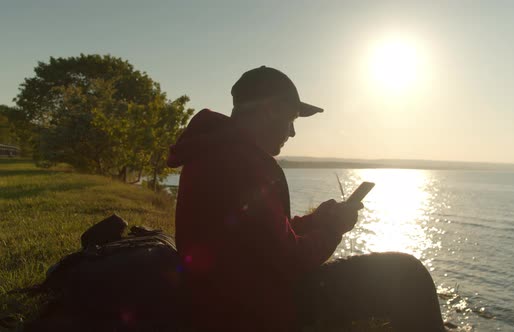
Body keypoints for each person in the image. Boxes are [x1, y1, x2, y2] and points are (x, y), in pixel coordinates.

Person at [167, 66, 445, 331]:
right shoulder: (244, 164)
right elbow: (290, 261)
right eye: (290, 119)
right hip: (253, 310)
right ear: (269, 110)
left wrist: (318, 220)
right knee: (407, 275)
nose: (292, 132)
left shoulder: (216, 152)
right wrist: (334, 229)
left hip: (227, 298)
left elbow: (261, 240)